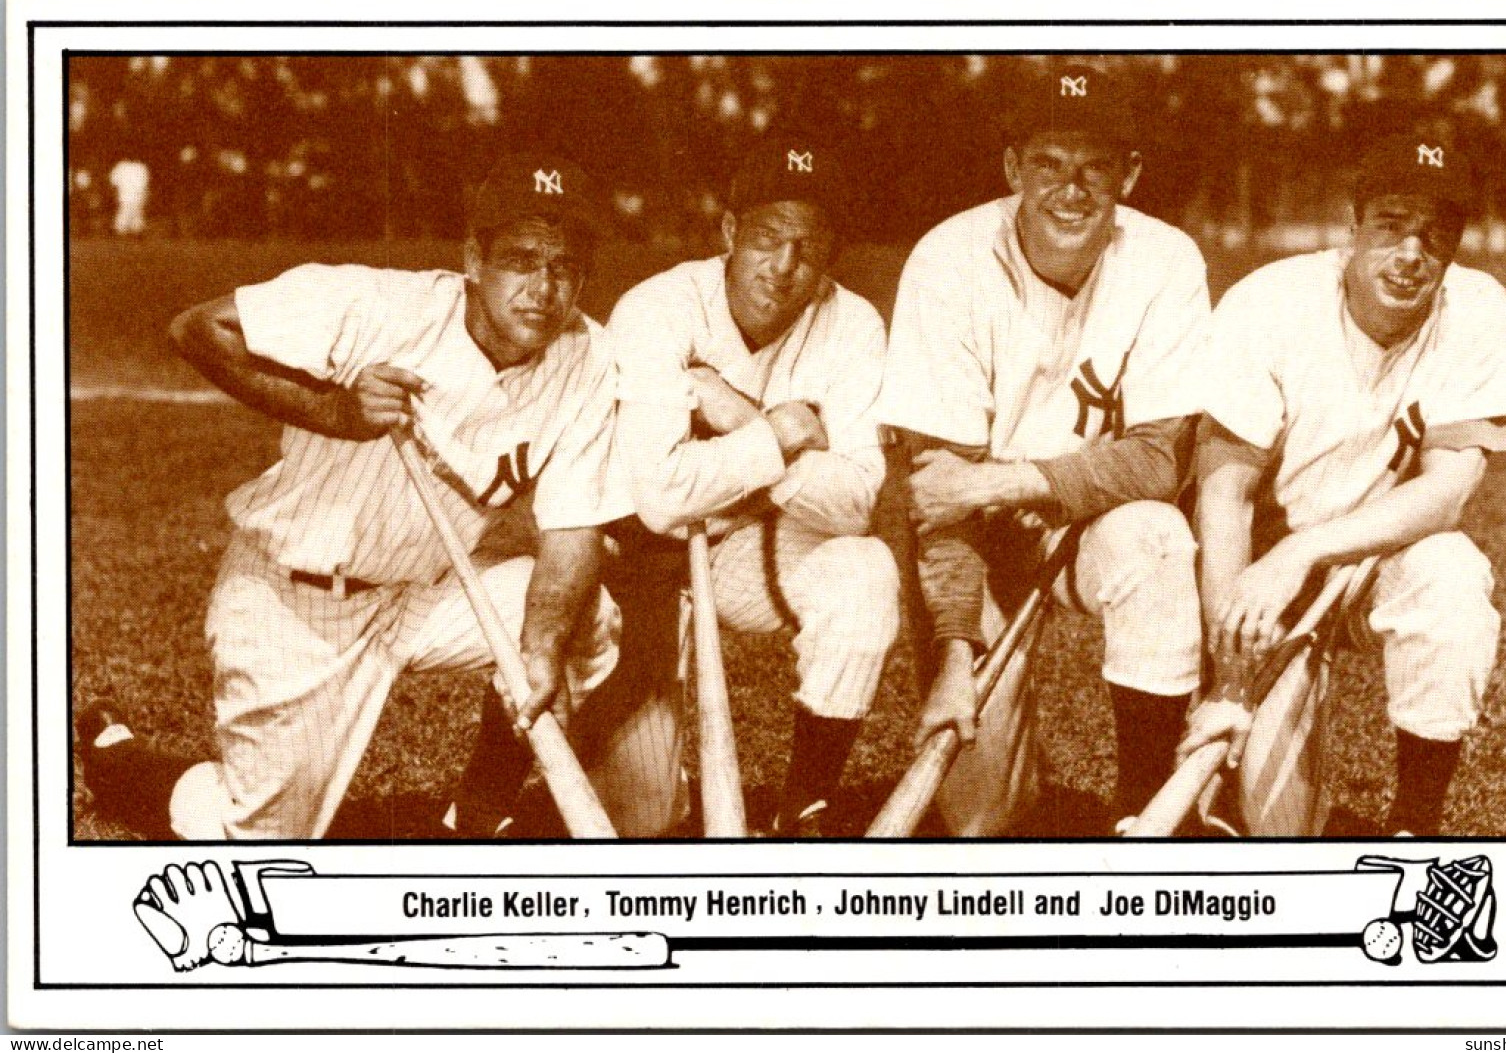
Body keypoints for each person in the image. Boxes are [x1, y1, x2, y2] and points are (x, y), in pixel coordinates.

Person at [75, 155, 669, 840]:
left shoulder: (585, 358)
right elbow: (197, 328)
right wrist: (336, 412)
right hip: (297, 599)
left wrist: (538, 649)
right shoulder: (378, 305)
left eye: (565, 265)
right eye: (522, 258)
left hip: (424, 594)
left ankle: (476, 813)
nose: (543, 287)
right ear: (474, 258)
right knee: (256, 841)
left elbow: (571, 527)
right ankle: (117, 759)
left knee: (576, 612)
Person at [876, 67, 1210, 836]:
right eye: (1050, 163)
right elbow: (935, 490)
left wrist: (998, 482)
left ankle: (1145, 811)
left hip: (1091, 522)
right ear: (1012, 169)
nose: (1072, 189)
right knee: (981, 817)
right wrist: (955, 652)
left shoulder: (1166, 260)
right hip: (976, 541)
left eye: (1095, 166)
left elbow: (1159, 460)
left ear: (1128, 174)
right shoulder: (947, 258)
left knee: (1155, 536)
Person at [1180, 134, 1506, 836]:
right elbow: (1223, 495)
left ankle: (1416, 825)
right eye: (1392, 224)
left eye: (1435, 235)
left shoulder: (1475, 304)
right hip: (1256, 572)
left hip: (1364, 556)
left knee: (1451, 573)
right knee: (1272, 829)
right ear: (1352, 230)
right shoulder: (1269, 302)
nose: (1411, 253)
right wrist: (1229, 675)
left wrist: (1307, 550)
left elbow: (1447, 493)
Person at [605, 140, 899, 837]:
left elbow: (857, 502)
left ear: (830, 253)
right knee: (643, 818)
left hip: (753, 550)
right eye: (767, 238)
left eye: (807, 244)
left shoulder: (852, 324)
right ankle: (481, 800)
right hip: (639, 564)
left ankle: (803, 811)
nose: (785, 265)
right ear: (731, 232)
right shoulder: (656, 308)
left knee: (865, 570)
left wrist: (738, 418)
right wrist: (783, 438)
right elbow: (661, 496)